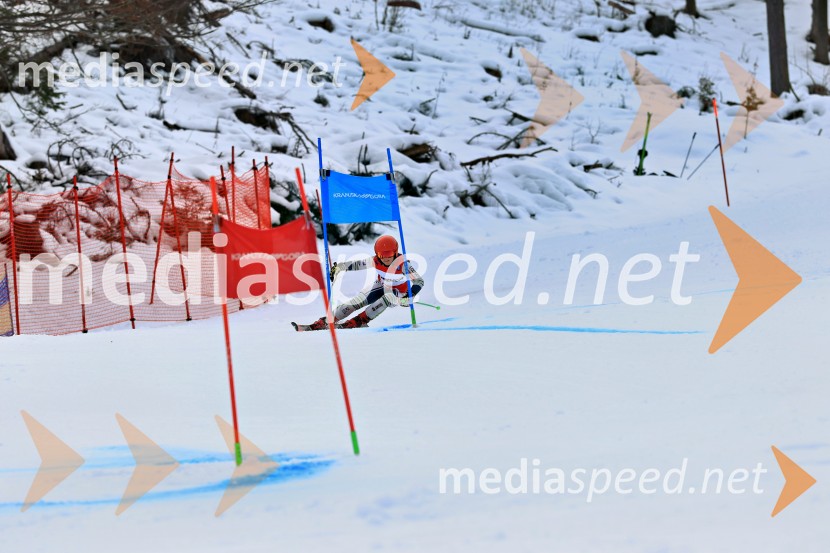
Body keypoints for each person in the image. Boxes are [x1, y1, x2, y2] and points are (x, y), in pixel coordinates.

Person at [293, 235, 424, 330]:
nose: (386, 258)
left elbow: (419, 280)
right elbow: (357, 265)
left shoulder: (403, 264)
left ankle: (359, 321)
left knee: (388, 297)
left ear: (395, 252)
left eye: (389, 253)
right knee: (355, 302)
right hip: (381, 286)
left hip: (400, 294)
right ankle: (325, 322)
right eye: (381, 254)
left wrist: (411, 294)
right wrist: (340, 267)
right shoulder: (376, 260)